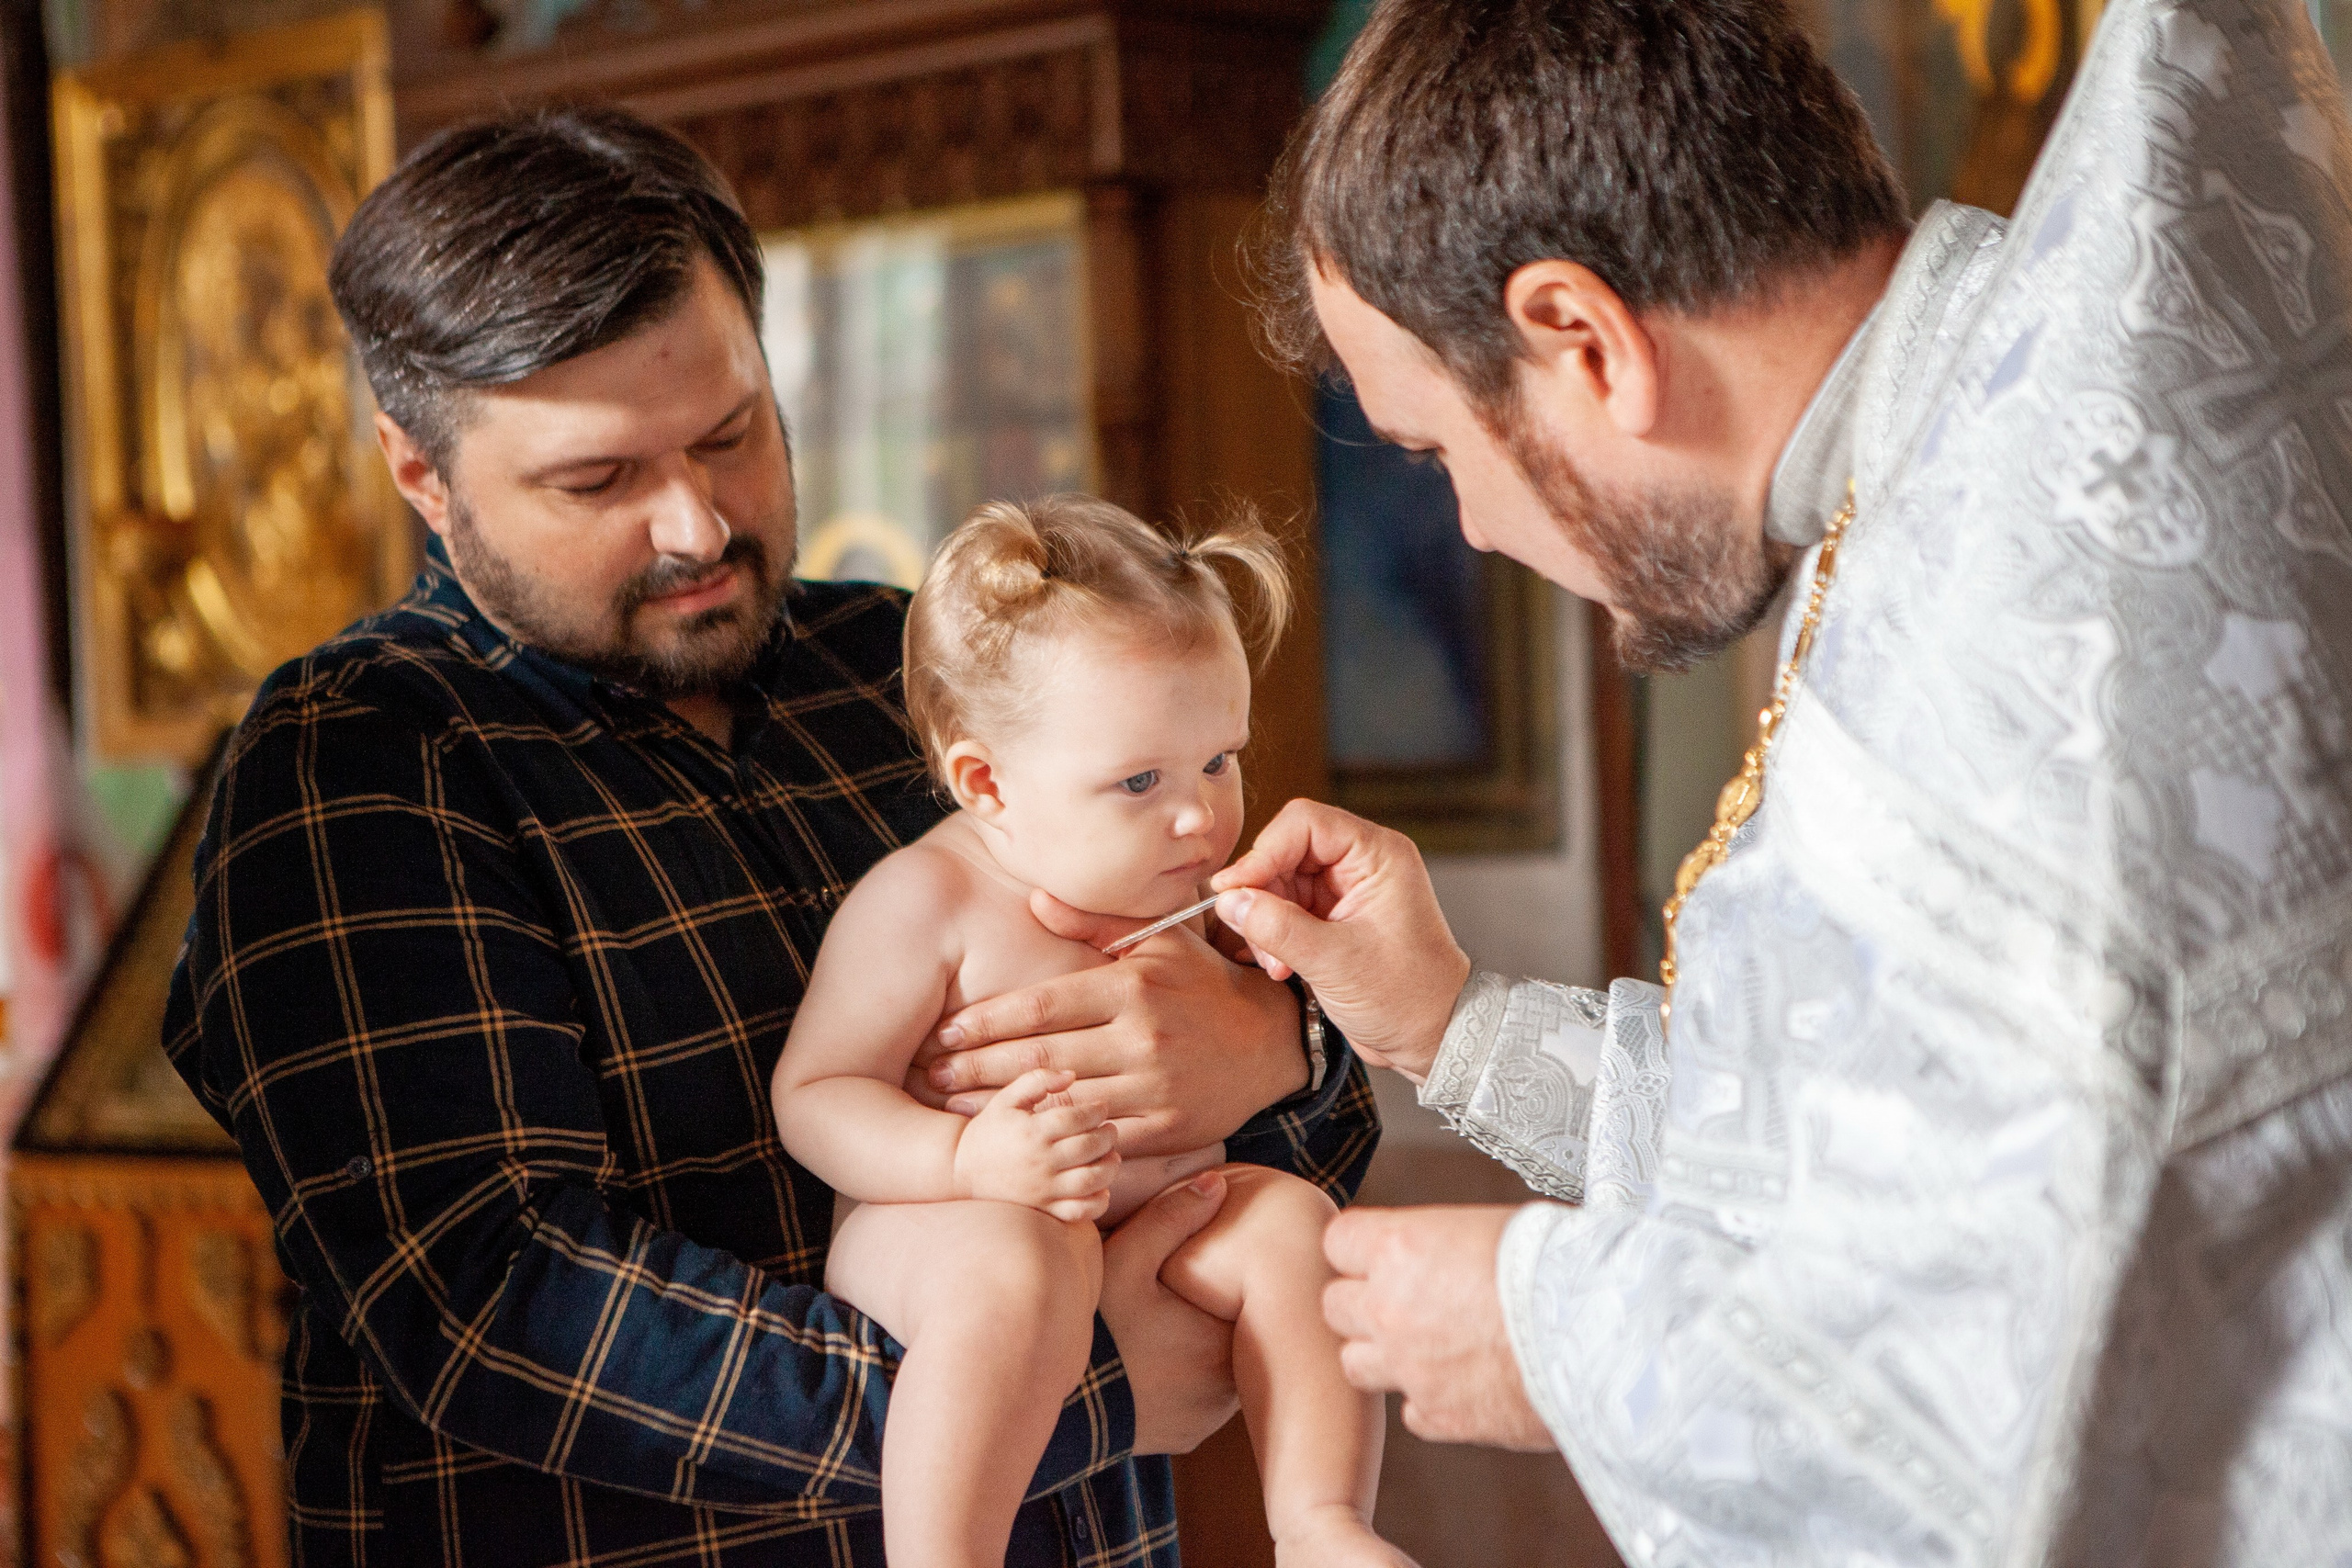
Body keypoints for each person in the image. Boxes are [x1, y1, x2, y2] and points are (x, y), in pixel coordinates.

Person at [1194, 0, 2352, 1561]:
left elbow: (2013, 1361)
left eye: (1437, 450)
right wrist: (1454, 1030)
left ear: (1583, 341)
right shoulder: (1961, 467)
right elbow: (1880, 1126)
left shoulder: (2023, 611)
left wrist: (1553, 1337)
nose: (1466, 526)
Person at [163, 107, 1376, 1568]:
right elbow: (492, 1295)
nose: (695, 524)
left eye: (731, 433)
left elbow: (1304, 1106)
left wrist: (1274, 1050)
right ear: (422, 473)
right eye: (599, 480)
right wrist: (1067, 1386)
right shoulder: (353, 760)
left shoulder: (920, 673)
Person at [775, 496, 1410, 1568]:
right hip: (954, 1221)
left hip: (1159, 1214)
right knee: (1017, 1263)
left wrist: (1288, 972)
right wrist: (964, 1155)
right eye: (1139, 782)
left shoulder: (1189, 885)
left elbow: (1296, 1052)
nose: (1200, 817)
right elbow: (814, 1095)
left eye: (1219, 760)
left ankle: (1319, 1523)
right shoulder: (924, 902)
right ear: (987, 784)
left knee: (1295, 1226)